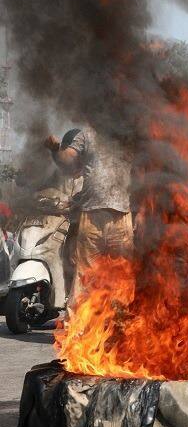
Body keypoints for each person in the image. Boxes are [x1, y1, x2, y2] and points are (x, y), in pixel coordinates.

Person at [44, 126, 133, 301]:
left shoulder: (130, 134)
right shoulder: (87, 134)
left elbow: (147, 169)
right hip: (92, 214)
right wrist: (56, 149)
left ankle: (119, 323)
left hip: (123, 214)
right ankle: (76, 326)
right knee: (85, 277)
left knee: (122, 275)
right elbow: (68, 158)